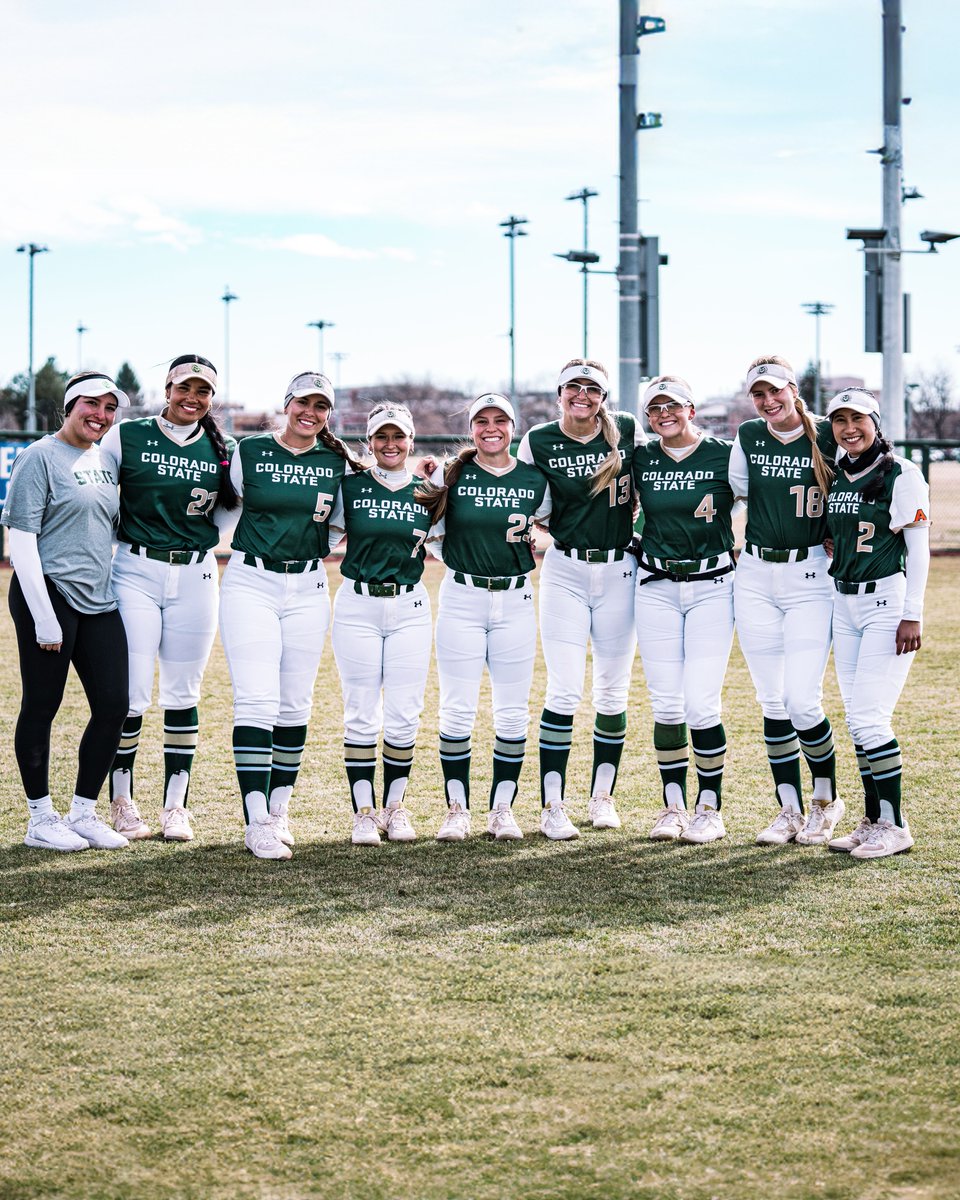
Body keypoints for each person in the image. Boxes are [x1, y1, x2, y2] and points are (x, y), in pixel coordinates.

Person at [219, 372, 364, 860]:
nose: (311, 412)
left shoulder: (336, 461)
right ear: (288, 405)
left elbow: (340, 523)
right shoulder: (251, 450)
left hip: (307, 584)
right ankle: (255, 818)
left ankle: (279, 810)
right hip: (251, 581)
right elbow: (228, 505)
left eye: (321, 405)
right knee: (256, 700)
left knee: (295, 704)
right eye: (304, 402)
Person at [99, 354, 238, 843]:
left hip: (197, 572)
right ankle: (122, 799)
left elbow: (228, 515)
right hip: (135, 568)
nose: (192, 398)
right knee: (132, 692)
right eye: (185, 388)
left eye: (203, 392)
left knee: (183, 692)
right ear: (167, 388)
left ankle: (175, 805)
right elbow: (95, 493)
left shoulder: (224, 450)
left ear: (211, 398)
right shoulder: (127, 435)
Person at [516, 358, 645, 839]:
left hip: (619, 568)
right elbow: (519, 491)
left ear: (604, 398)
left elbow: (657, 486)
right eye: (574, 388)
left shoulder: (628, 430)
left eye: (593, 390)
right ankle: (552, 805)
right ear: (560, 393)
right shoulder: (539, 438)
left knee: (613, 689)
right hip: (566, 568)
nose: (582, 396)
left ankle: (602, 797)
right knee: (564, 689)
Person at [2, 371, 131, 851]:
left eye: (109, 408)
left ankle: (83, 812)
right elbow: (22, 540)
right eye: (90, 405)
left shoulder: (104, 460)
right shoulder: (39, 456)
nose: (100, 415)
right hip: (48, 593)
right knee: (42, 705)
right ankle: (39, 818)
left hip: (99, 599)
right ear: (70, 407)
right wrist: (44, 614)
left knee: (115, 703)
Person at [415, 394, 550, 841]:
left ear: (513, 427)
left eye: (500, 421)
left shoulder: (535, 478)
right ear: (471, 429)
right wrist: (458, 559)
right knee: (457, 708)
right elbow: (432, 533)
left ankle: (502, 809)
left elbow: (556, 522)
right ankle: (457, 809)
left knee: (512, 713)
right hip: (462, 596)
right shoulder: (452, 475)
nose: (491, 428)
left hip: (515, 597)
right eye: (481, 421)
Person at [729, 355, 842, 846]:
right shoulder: (749, 437)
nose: (769, 401)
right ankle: (789, 810)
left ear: (793, 389)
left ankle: (826, 801)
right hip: (754, 572)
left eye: (775, 391)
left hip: (810, 572)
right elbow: (734, 492)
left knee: (801, 698)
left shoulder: (828, 435)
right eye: (759, 394)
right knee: (772, 700)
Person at [823, 389, 930, 859]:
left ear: (876, 421)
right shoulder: (840, 472)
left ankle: (895, 824)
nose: (849, 428)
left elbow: (920, 549)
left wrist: (913, 612)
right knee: (856, 719)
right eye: (840, 420)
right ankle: (873, 819)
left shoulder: (902, 472)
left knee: (870, 718)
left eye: (858, 419)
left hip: (885, 601)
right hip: (843, 602)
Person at [632, 376, 736, 845]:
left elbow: (770, 497)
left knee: (701, 701)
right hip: (655, 585)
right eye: (654, 408)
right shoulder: (640, 457)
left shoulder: (727, 453)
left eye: (672, 405)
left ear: (691, 408)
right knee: (666, 702)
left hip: (713, 583)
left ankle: (709, 808)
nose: (663, 414)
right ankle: (673, 806)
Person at [328, 403, 433, 845]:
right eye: (381, 437)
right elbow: (327, 534)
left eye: (398, 436)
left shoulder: (431, 490)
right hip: (357, 604)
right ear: (369, 442)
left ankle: (396, 807)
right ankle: (364, 813)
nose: (390, 445)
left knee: (405, 713)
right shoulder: (349, 487)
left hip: (409, 607)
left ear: (410, 440)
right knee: (360, 713)